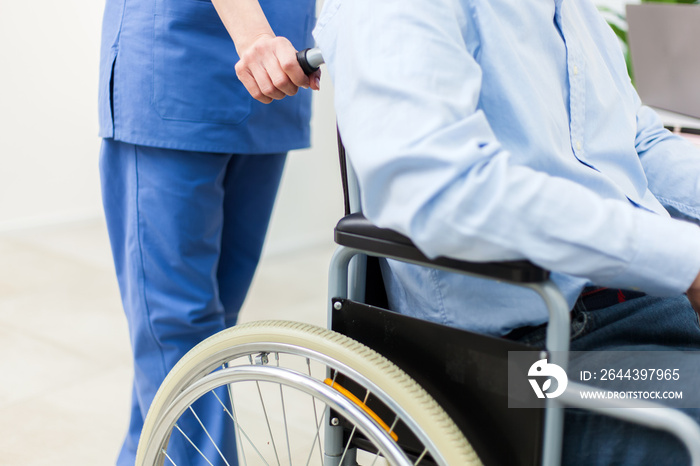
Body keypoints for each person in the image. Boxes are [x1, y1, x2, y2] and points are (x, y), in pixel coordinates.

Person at [314, 0, 700, 464]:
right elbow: (443, 191)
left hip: (646, 311)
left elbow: (637, 141)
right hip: (524, 362)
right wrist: (685, 262)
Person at [98, 0, 317, 463]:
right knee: (180, 331)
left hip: (277, 72)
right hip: (182, 62)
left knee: (205, 337)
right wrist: (254, 35)